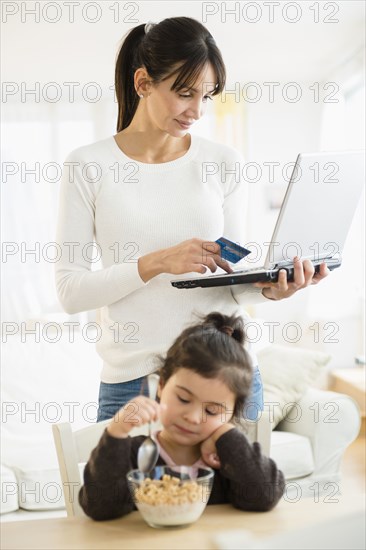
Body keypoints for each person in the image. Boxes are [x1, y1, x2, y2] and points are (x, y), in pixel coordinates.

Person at [55, 17, 329, 423]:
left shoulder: (222, 162)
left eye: (207, 95)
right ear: (143, 82)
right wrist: (157, 262)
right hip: (135, 382)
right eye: (185, 93)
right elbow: (70, 292)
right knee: (122, 489)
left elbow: (232, 282)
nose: (197, 110)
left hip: (225, 374)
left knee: (239, 489)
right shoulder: (88, 166)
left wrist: (273, 290)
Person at [79, 312, 285, 520]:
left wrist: (226, 433)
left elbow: (264, 495)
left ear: (231, 413)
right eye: (184, 399)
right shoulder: (136, 454)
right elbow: (101, 507)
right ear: (161, 386)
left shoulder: (229, 461)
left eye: (212, 411)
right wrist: (116, 432)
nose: (193, 417)